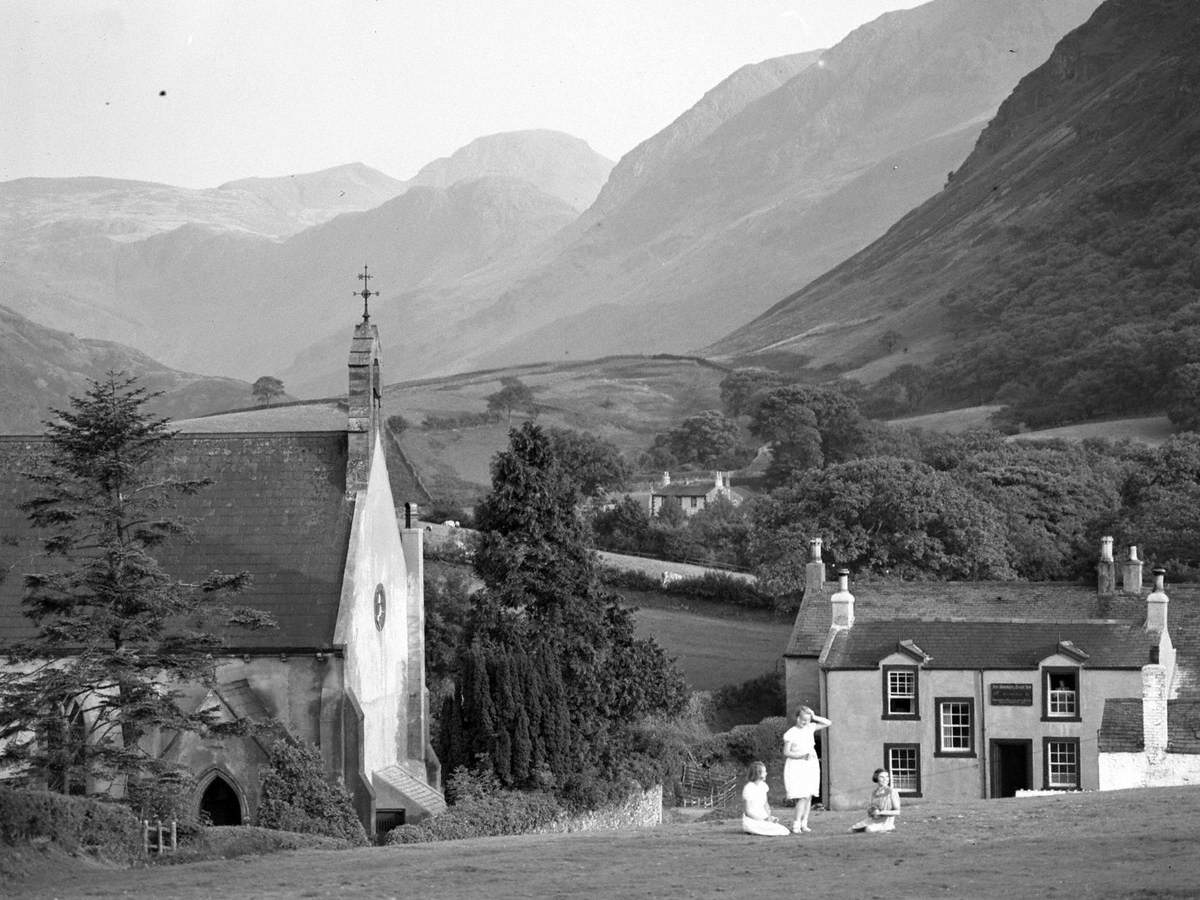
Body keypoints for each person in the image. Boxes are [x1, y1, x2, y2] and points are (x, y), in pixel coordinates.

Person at [782, 705, 832, 833]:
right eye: (803, 719)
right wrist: (800, 756)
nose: (806, 722)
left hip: (811, 764)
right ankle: (796, 824)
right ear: (797, 718)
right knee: (802, 795)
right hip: (797, 765)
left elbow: (828, 722)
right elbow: (786, 752)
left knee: (809, 795)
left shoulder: (810, 727)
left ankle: (804, 823)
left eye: (808, 720)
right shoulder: (791, 733)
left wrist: (814, 716)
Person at [741, 761, 790, 836]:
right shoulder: (748, 788)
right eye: (764, 772)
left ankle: (764, 826)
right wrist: (762, 819)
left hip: (763, 818)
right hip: (751, 820)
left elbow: (765, 804)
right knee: (776, 830)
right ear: (758, 774)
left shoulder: (763, 786)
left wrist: (769, 817)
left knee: (783, 830)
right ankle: (756, 828)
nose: (766, 773)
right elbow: (748, 812)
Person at [849, 768, 901, 833]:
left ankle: (889, 828)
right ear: (876, 778)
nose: (885, 779)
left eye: (887, 777)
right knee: (851, 830)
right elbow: (872, 808)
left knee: (869, 829)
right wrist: (871, 812)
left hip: (886, 822)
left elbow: (897, 812)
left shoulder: (892, 792)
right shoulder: (874, 792)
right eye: (882, 777)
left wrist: (881, 812)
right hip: (874, 820)